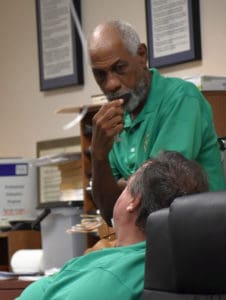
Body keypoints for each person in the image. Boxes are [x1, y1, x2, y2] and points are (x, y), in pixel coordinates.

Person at [17, 151, 208, 300]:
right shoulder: (166, 259)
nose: (120, 193)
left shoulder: (115, 276)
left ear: (135, 200)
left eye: (126, 187)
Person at [88, 19, 226, 224]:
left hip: (197, 234)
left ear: (142, 55)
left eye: (119, 68)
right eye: (100, 75)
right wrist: (98, 157)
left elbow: (160, 193)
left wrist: (125, 188)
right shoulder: (115, 121)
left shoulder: (180, 98)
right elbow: (110, 212)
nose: (111, 84)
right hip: (145, 238)